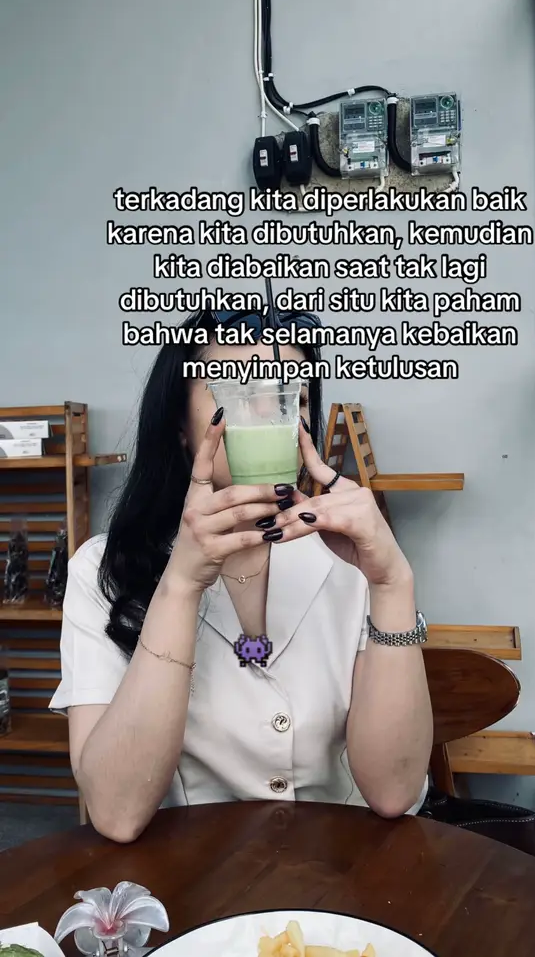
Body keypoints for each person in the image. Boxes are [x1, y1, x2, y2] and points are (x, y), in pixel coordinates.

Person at [49, 310, 433, 842]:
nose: (270, 413)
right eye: (237, 391)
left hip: (344, 867)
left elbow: (394, 793)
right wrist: (180, 586)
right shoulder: (102, 570)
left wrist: (392, 585)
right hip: (190, 872)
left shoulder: (351, 559)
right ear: (180, 425)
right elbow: (116, 812)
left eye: (292, 397)